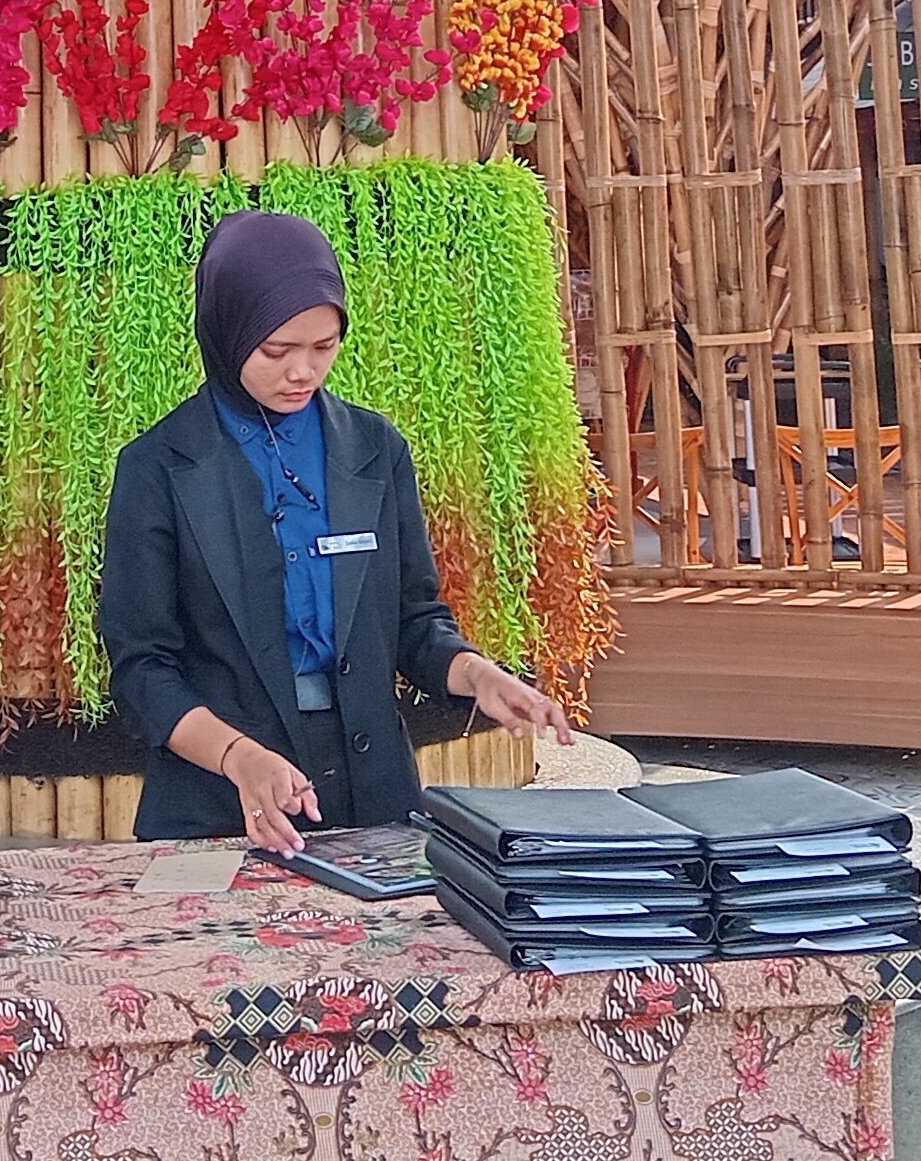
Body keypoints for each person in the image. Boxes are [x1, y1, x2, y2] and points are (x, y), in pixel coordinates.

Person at [97, 210, 575, 848]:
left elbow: (413, 622)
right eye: (277, 351)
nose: (303, 372)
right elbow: (142, 668)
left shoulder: (374, 449)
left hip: (371, 790)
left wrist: (478, 675)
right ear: (226, 330)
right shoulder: (159, 467)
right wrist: (237, 756)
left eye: (324, 348)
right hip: (218, 798)